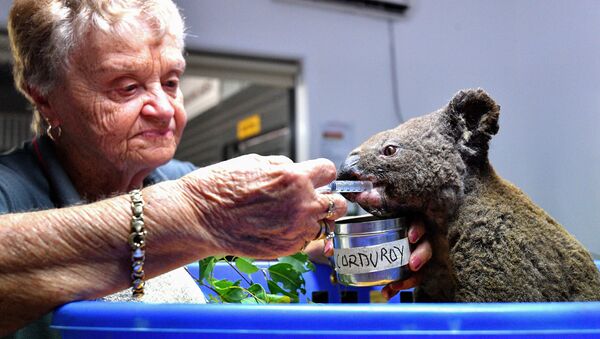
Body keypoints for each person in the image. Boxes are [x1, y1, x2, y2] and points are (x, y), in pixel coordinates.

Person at [0, 0, 432, 337]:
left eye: (171, 82)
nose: (164, 108)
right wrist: (195, 213)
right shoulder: (11, 189)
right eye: (127, 87)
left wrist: (319, 246)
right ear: (44, 97)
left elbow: (264, 249)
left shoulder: (175, 175)